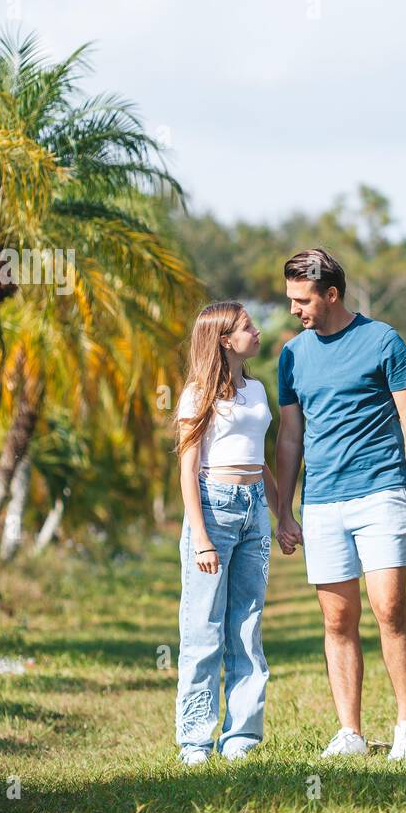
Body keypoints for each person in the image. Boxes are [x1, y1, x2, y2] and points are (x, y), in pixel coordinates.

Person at [274, 248, 406, 761]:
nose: (294, 310)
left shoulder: (382, 341)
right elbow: (289, 437)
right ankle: (350, 732)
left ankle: (405, 726)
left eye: (301, 300)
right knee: (336, 620)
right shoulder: (292, 355)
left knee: (389, 608)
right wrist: (284, 510)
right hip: (323, 501)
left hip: (382, 492)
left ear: (331, 294)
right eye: (289, 300)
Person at [172, 301, 279, 765]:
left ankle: (241, 738)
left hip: (254, 508)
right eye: (247, 327)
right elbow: (187, 468)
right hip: (213, 509)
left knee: (247, 626)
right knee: (203, 630)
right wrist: (201, 536)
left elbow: (260, 461)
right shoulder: (197, 394)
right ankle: (195, 741)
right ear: (223, 339)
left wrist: (283, 513)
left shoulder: (255, 390)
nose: (256, 332)